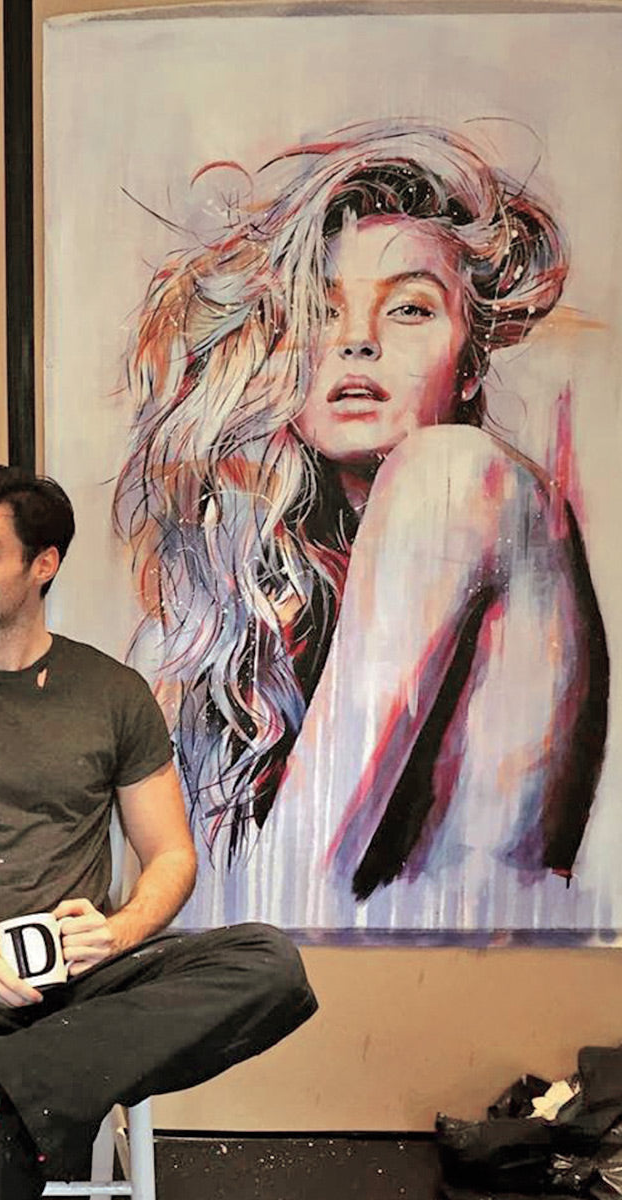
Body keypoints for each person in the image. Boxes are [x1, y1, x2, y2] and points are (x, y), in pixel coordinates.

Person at [115, 120, 608, 924]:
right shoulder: (242, 604)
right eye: (321, 310)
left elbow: (281, 904)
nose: (357, 343)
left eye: (409, 308)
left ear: (471, 359)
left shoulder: (458, 474)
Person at [0, 465, 316, 1200]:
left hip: (81, 976)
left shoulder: (113, 694)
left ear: (44, 564)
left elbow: (170, 854)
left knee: (270, 965)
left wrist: (119, 933)